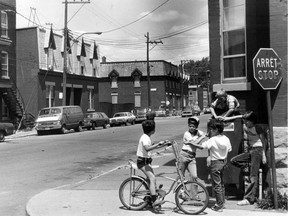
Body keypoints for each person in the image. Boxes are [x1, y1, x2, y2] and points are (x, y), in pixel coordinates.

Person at [230, 112, 268, 206]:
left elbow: (264, 141)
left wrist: (264, 155)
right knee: (234, 160)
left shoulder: (257, 128)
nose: (246, 122)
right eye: (245, 121)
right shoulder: (246, 127)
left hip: (258, 150)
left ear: (252, 121)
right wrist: (224, 118)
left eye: (248, 121)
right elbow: (240, 116)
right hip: (251, 151)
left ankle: (249, 199)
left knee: (253, 175)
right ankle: (248, 165)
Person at [196, 119, 232, 212]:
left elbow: (201, 147)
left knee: (216, 185)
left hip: (215, 163)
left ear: (215, 130)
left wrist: (195, 141)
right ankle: (222, 202)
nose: (209, 131)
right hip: (223, 162)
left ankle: (219, 205)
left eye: (210, 129)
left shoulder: (212, 140)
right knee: (221, 184)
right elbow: (230, 149)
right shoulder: (226, 138)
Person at [136, 120, 167, 207]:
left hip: (146, 161)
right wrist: (157, 145)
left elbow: (150, 146)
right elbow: (147, 148)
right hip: (142, 162)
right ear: (152, 130)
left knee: (150, 180)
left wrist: (163, 144)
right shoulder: (145, 138)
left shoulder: (146, 136)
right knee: (152, 179)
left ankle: (148, 199)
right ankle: (154, 200)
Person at [179, 117, 206, 182]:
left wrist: (202, 136)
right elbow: (194, 143)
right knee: (181, 175)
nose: (191, 128)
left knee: (194, 176)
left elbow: (205, 134)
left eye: (193, 126)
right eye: (190, 126)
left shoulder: (198, 132)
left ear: (196, 127)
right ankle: (180, 191)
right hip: (184, 155)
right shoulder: (187, 133)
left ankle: (193, 192)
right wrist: (201, 138)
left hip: (192, 157)